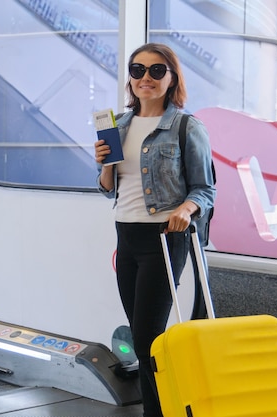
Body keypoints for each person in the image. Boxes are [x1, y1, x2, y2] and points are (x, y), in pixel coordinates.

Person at [95, 43, 216, 417]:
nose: (146, 78)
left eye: (156, 71)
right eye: (138, 70)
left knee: (149, 338)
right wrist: (103, 164)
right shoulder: (118, 124)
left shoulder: (186, 126)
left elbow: (205, 189)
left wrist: (185, 208)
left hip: (164, 237)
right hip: (125, 235)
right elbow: (107, 187)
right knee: (143, 334)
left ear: (172, 78)